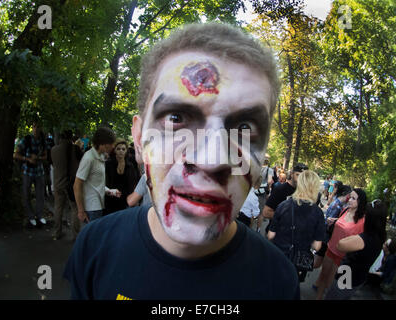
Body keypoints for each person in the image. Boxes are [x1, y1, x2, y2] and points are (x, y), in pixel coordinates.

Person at [63, 22, 299, 300]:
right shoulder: (94, 246)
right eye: (176, 118)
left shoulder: (278, 282)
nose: (211, 160)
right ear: (138, 140)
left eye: (244, 129)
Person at [267, 170, 326, 282]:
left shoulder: (284, 205)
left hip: (278, 256)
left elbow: (270, 235)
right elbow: (317, 246)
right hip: (298, 263)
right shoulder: (318, 213)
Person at [325, 199, 387, 300]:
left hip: (347, 277)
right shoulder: (380, 236)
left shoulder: (364, 239)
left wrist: (352, 235)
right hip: (359, 278)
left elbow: (340, 245)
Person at [315, 188, 367, 299]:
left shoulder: (362, 221)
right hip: (330, 248)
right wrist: (334, 220)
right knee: (323, 275)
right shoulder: (345, 210)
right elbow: (341, 223)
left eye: (353, 198)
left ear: (360, 202)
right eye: (349, 197)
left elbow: (360, 241)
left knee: (332, 283)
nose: (349, 200)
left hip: (343, 256)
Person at [73, 127, 116, 223]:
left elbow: (94, 182)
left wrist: (109, 191)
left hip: (98, 206)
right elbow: (77, 185)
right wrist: (81, 210)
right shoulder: (89, 158)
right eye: (111, 143)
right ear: (103, 144)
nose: (113, 146)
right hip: (91, 208)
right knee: (93, 237)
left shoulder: (100, 156)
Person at [13, 120, 47, 227]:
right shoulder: (26, 140)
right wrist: (27, 159)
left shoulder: (43, 140)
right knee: (26, 194)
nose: (36, 129)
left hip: (39, 171)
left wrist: (38, 158)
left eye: (38, 126)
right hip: (27, 171)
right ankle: (30, 216)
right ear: (32, 128)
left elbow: (46, 156)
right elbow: (16, 155)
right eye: (34, 126)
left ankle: (39, 215)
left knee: (40, 194)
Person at [51, 130, 82, 240]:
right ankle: (76, 235)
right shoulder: (76, 149)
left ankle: (57, 232)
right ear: (71, 137)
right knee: (75, 208)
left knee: (58, 208)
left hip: (58, 183)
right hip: (72, 184)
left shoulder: (54, 150)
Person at [262, 163, 308, 234]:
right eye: (298, 175)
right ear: (292, 174)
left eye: (304, 176)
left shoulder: (306, 193)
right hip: (275, 234)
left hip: (293, 238)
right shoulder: (280, 189)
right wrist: (289, 218)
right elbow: (266, 212)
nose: (301, 179)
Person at [314, 184, 352, 268]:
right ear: (346, 195)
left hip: (325, 236)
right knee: (317, 262)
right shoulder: (337, 206)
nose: (350, 199)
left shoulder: (338, 203)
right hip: (326, 237)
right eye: (350, 196)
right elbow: (329, 223)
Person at [104, 139, 139, 215]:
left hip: (125, 201)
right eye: (118, 149)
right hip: (111, 200)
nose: (121, 151)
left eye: (123, 149)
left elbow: (133, 183)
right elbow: (104, 183)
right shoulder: (108, 164)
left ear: (126, 151)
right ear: (114, 150)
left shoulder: (130, 166)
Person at [254, 158, 274, 230]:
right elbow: (269, 181)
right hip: (263, 191)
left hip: (253, 189)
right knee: (261, 212)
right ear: (268, 161)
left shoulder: (256, 168)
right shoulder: (270, 170)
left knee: (251, 209)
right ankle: (258, 229)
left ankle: (249, 227)